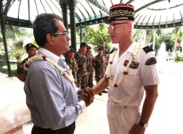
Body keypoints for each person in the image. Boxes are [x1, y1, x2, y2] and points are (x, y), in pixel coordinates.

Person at [90, 3, 159, 134]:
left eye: (113, 26)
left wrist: (142, 124)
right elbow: (107, 79)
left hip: (129, 115)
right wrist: (92, 92)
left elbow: (153, 94)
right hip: (111, 109)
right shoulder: (114, 52)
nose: (109, 31)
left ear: (128, 26)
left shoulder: (143, 55)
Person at [24, 13, 93, 134]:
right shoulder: (43, 70)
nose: (68, 37)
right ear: (50, 38)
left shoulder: (56, 60)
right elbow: (57, 118)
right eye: (64, 33)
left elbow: (64, 85)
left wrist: (78, 92)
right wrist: (83, 103)